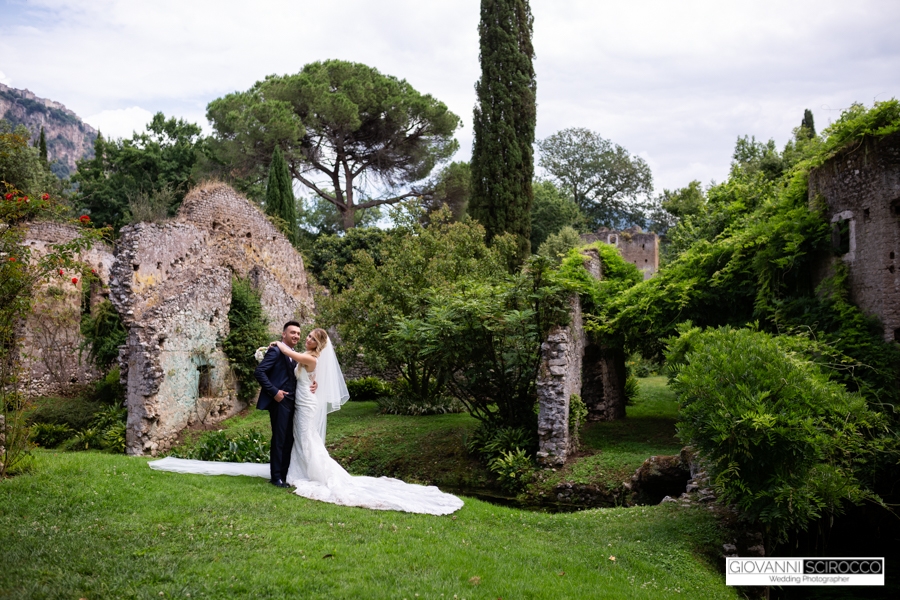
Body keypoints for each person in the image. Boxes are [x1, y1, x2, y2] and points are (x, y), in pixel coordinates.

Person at [149, 328, 463, 516]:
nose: (308, 339)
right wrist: (278, 354)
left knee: (306, 439)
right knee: (302, 440)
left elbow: (290, 352)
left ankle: (313, 474)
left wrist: (274, 345)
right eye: (307, 336)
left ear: (319, 344)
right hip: (302, 398)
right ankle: (296, 470)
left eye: (312, 337)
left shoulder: (311, 357)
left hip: (306, 404)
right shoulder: (309, 356)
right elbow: (294, 360)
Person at [253, 321, 302, 488]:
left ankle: (284, 475)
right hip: (279, 402)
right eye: (292, 332)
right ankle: (276, 477)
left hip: (293, 402)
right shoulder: (275, 351)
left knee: (289, 439)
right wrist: (274, 392)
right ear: (284, 334)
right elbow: (259, 372)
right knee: (280, 439)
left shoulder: (294, 354)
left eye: (298, 333)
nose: (296, 335)